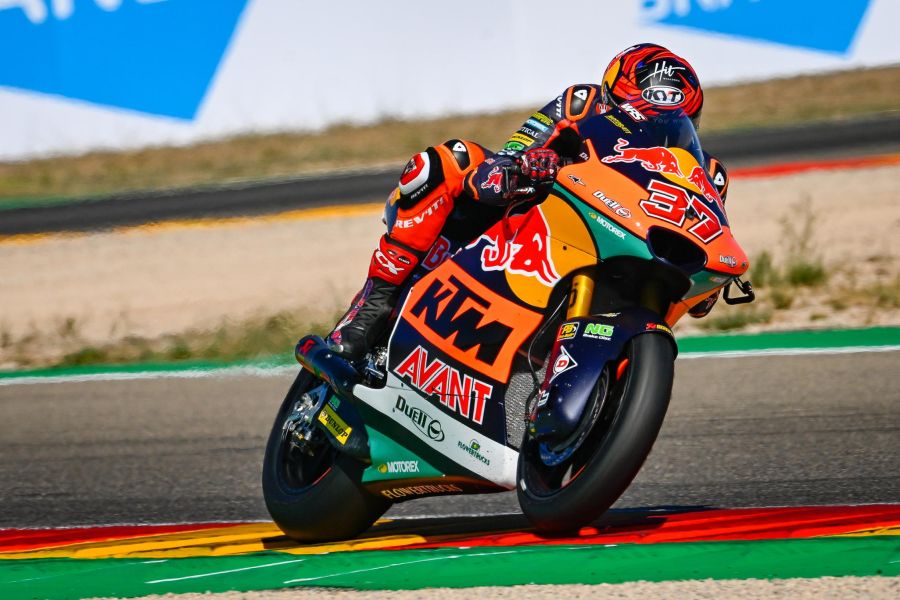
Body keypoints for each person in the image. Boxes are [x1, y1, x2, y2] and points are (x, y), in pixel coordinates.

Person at [328, 43, 729, 361]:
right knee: (449, 161)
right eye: (636, 117)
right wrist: (528, 164)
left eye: (668, 124)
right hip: (538, 222)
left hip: (621, 252)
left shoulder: (707, 172)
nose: (652, 132)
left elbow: (706, 261)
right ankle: (375, 303)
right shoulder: (578, 104)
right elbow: (505, 160)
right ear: (608, 101)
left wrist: (711, 277)